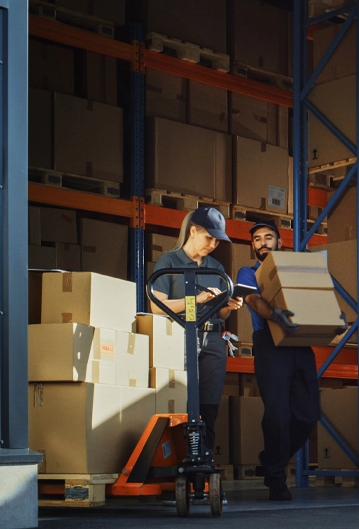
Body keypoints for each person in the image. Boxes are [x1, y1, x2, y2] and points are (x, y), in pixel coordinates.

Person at [150, 206, 242, 499]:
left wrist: (228, 306)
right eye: (208, 237)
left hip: (213, 340)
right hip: (181, 337)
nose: (212, 244)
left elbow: (222, 315)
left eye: (217, 240)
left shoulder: (216, 268)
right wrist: (197, 299)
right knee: (184, 407)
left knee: (209, 408)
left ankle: (202, 478)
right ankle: (180, 474)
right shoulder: (169, 262)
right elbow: (156, 305)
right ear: (193, 230)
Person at [236, 221, 320, 501]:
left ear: (280, 241)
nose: (262, 242)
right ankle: (276, 479)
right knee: (277, 414)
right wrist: (275, 316)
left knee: (308, 414)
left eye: (268, 237)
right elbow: (251, 298)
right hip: (269, 343)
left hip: (299, 341)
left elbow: (316, 296)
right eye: (257, 239)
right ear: (253, 245)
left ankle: (272, 456)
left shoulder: (297, 267)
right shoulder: (247, 272)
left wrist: (330, 319)